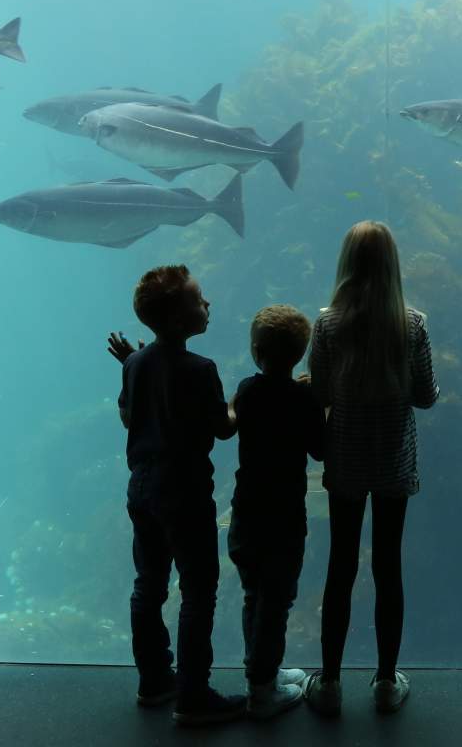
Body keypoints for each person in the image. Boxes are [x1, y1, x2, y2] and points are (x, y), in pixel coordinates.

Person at [303, 221, 439, 716]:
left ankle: (330, 682)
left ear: (346, 264)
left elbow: (319, 393)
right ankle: (385, 680)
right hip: (393, 461)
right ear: (392, 266)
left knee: (340, 566)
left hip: (345, 458)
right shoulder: (412, 324)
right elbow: (425, 396)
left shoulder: (327, 324)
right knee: (388, 566)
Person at [107, 265, 244, 726]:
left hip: (142, 488)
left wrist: (135, 368)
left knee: (148, 583)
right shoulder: (200, 369)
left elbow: (129, 418)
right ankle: (193, 695)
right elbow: (223, 429)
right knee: (198, 591)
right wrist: (240, 402)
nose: (208, 303)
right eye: (198, 298)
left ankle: (154, 680)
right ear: (180, 318)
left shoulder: (135, 363)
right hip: (185, 492)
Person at [226, 304, 325, 718]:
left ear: (256, 350)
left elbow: (244, 412)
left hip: (247, 511)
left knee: (255, 595)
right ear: (301, 354)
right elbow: (319, 450)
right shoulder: (303, 399)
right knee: (277, 599)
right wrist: (319, 402)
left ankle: (260, 673)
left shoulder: (247, 390)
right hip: (284, 516)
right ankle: (263, 690)